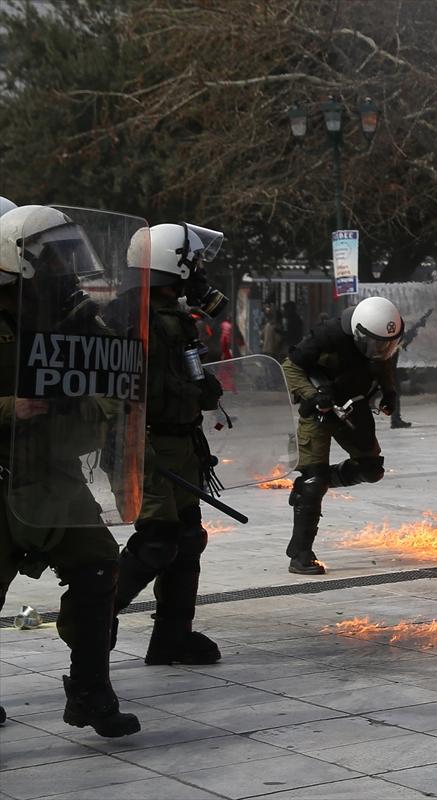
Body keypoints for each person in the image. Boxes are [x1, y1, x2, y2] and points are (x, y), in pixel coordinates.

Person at [0, 205, 140, 736]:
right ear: (19, 260)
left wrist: (101, 395)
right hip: (0, 471)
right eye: (55, 257)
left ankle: (90, 692)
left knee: (98, 567)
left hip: (55, 472)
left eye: (69, 254)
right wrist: (11, 408)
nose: (67, 268)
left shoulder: (75, 320)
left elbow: (110, 386)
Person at [106, 222, 227, 666]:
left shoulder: (172, 318)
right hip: (144, 443)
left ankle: (172, 639)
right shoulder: (128, 318)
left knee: (188, 538)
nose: (200, 275)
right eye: (195, 265)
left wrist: (203, 388)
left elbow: (188, 380)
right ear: (173, 266)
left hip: (181, 442)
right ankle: (93, 620)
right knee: (157, 541)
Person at [280, 296, 404, 575]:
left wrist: (389, 392)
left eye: (386, 344)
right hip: (320, 411)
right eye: (375, 343)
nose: (380, 349)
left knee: (372, 470)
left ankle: (316, 482)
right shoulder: (327, 335)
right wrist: (314, 396)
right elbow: (290, 367)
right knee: (313, 482)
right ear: (358, 332)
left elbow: (382, 362)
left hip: (354, 406)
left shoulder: (379, 341)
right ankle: (300, 555)